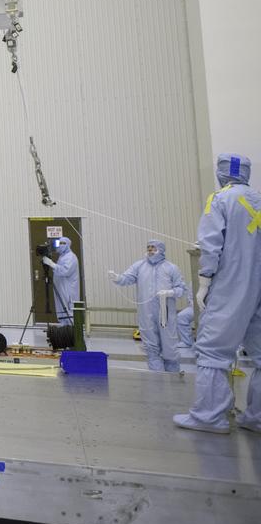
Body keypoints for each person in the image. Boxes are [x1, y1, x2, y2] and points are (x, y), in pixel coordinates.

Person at [174, 153, 261, 434]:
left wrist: (204, 280)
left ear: (222, 173)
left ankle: (209, 416)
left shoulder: (220, 199)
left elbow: (211, 245)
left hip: (232, 286)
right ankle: (256, 417)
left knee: (212, 350)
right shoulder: (258, 198)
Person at [109, 240, 186, 372]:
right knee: (151, 346)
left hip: (165, 314)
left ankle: (173, 375)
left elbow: (181, 289)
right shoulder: (139, 266)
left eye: (153, 247)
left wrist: (170, 292)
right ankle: (157, 376)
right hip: (146, 313)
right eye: (148, 247)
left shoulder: (171, 268)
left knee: (169, 345)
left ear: (161, 249)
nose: (150, 250)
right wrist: (117, 278)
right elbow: (127, 278)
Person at [41, 237, 80, 324]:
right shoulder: (62, 256)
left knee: (68, 310)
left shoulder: (71, 257)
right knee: (61, 310)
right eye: (59, 243)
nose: (60, 245)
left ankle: (71, 332)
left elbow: (65, 271)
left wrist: (51, 264)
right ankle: (64, 331)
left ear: (67, 245)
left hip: (68, 290)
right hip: (61, 289)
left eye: (62, 243)